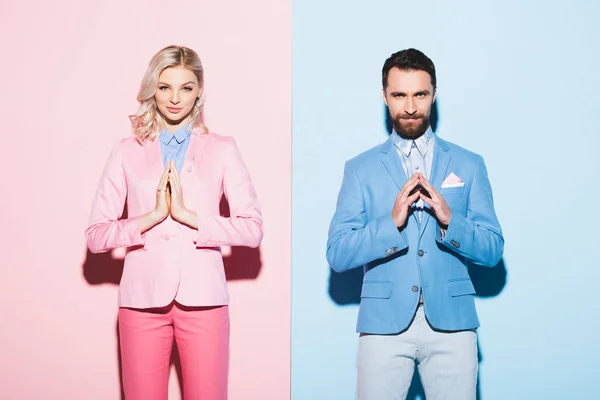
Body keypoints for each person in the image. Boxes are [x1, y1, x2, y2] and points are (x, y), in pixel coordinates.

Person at [85, 45, 263, 400]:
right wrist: (150, 217)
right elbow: (95, 235)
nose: (175, 98)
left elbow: (253, 228)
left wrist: (188, 217)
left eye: (185, 87)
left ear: (199, 90)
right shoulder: (126, 150)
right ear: (153, 88)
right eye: (165, 87)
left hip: (205, 304)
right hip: (140, 304)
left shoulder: (223, 148)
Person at [326, 48, 504, 400]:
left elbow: (492, 249)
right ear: (384, 96)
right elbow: (338, 253)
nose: (409, 107)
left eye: (420, 94)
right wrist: (390, 223)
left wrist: (450, 221)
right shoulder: (360, 168)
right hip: (382, 325)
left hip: (453, 323)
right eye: (399, 95)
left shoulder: (469, 164)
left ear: (434, 95)